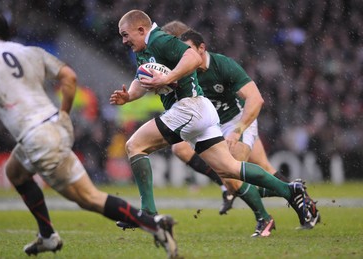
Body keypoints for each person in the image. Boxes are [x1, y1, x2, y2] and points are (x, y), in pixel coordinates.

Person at [0, 12, 178, 258]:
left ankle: (155, 225)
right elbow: (69, 77)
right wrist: (63, 115)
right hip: (51, 126)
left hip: (37, 137)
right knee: (14, 170)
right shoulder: (29, 51)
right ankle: (47, 236)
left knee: (90, 199)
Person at [110, 9, 317, 234]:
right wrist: (129, 96)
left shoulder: (159, 39)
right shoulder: (145, 49)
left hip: (189, 107)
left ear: (141, 30)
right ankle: (290, 190)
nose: (123, 40)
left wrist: (168, 78)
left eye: (125, 34)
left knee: (134, 146)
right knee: (229, 169)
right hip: (203, 110)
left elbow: (192, 57)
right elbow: (142, 80)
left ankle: (148, 212)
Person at [161, 20, 234, 216]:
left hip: (232, 121)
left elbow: (245, 94)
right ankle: (224, 185)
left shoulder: (212, 64)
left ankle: (293, 194)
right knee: (180, 148)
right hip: (209, 120)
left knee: (243, 171)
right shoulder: (178, 65)